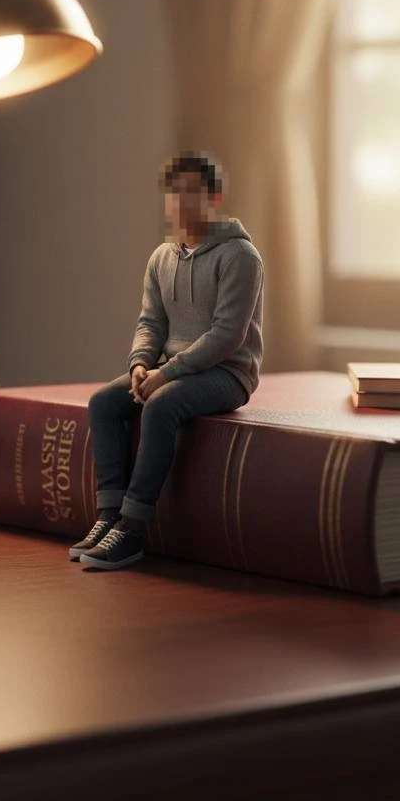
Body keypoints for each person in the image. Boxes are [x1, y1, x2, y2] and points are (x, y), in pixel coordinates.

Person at [71, 151, 264, 570]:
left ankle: (133, 527)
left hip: (226, 374)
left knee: (161, 406)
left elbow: (227, 336)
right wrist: (141, 364)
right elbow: (150, 323)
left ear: (214, 198)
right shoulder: (161, 258)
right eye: (174, 193)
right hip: (166, 370)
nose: (181, 202)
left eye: (192, 192)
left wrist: (167, 374)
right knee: (104, 402)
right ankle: (107, 515)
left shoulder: (241, 257)